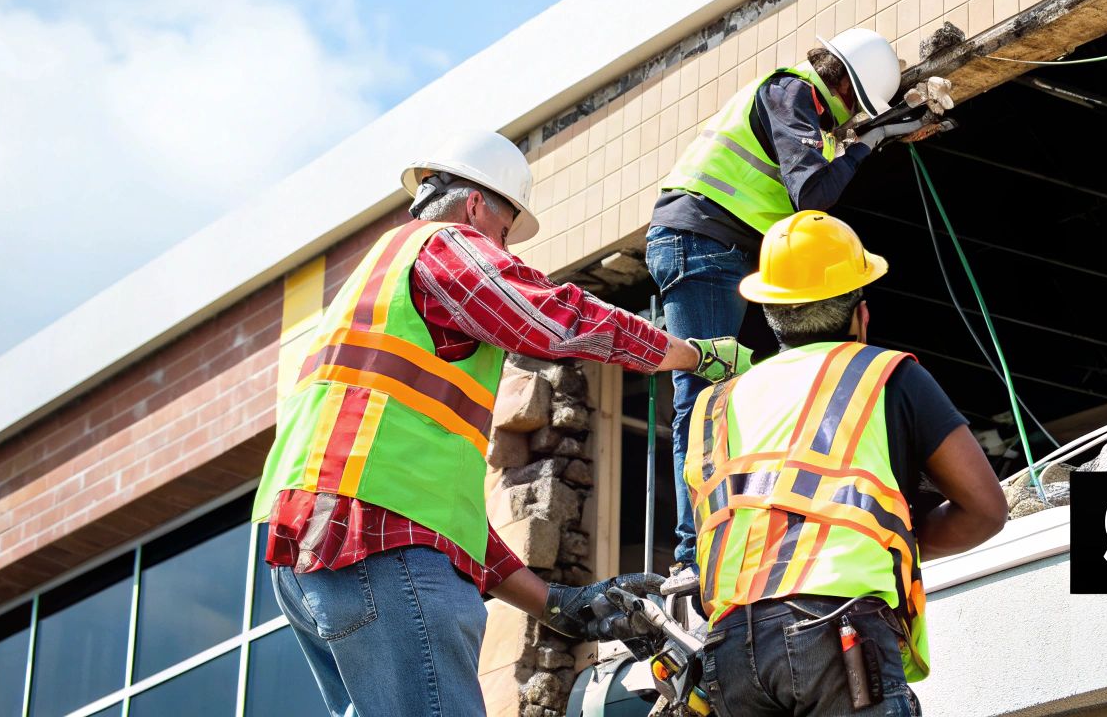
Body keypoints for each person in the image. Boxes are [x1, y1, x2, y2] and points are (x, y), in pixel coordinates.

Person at [252, 130, 752, 717]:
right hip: (372, 552)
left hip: (320, 556)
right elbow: (555, 319)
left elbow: (440, 523)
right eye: (506, 232)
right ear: (474, 206)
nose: (506, 251)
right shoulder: (443, 244)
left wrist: (554, 602)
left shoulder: (375, 298)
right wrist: (693, 356)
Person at [682, 211, 1008, 715]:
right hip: (836, 632)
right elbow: (984, 509)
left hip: (728, 651)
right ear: (861, 313)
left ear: (770, 311)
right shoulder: (884, 374)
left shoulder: (714, 407)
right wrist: (886, 540)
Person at [651, 28, 933, 594]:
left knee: (719, 393)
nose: (847, 124)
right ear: (848, 93)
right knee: (702, 397)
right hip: (701, 244)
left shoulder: (798, 108)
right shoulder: (791, 93)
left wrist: (863, 140)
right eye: (857, 112)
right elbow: (812, 196)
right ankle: (691, 552)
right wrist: (865, 144)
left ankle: (702, 542)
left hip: (712, 247)